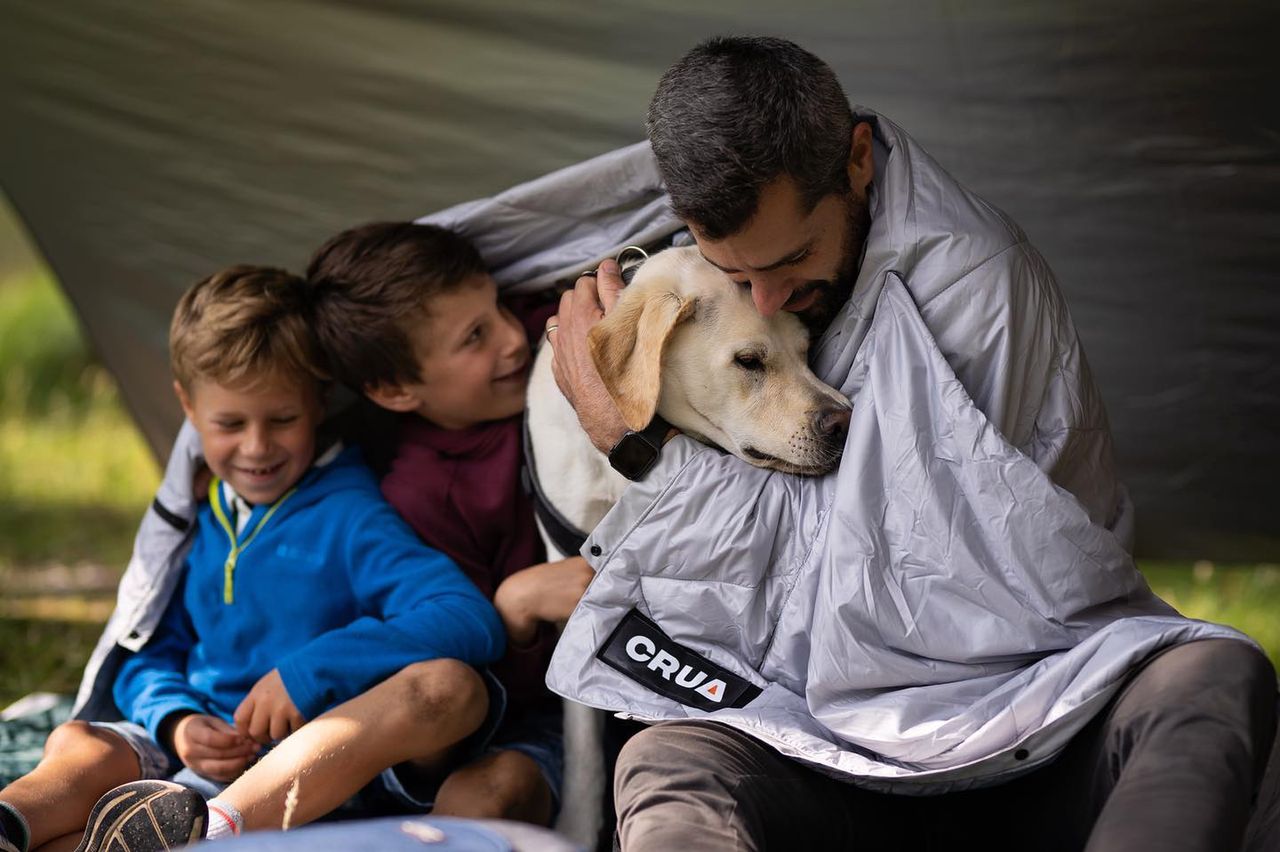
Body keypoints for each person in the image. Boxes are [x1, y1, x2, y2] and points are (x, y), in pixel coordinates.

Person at [545, 36, 1278, 851]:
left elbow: (880, 593)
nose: (766, 295)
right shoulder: (721, 263)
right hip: (813, 732)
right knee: (668, 759)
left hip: (1023, 712)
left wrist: (637, 445)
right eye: (735, 272)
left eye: (792, 260)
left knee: (1211, 678)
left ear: (857, 159)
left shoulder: (974, 290)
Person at [0, 265, 507, 852]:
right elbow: (147, 653)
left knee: (447, 684)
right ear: (188, 407)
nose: (257, 447)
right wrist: (178, 720)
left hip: (303, 774)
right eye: (230, 424)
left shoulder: (349, 513)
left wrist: (308, 672)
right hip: (182, 765)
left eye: (282, 420)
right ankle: (13, 821)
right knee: (82, 741)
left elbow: (467, 616)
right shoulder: (203, 509)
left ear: (319, 402)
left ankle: (205, 834)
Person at [304, 221, 593, 826]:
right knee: (482, 798)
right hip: (529, 710)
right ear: (394, 389)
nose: (514, 339)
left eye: (497, 306)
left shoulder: (557, 333)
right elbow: (465, 669)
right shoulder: (420, 492)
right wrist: (513, 611)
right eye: (475, 337)